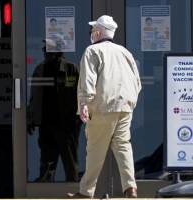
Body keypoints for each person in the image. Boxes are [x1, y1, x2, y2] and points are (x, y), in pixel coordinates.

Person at [67, 15, 141, 199]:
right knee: (123, 146)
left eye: (93, 30)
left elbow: (88, 80)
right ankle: (130, 188)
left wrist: (84, 102)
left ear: (98, 32)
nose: (91, 33)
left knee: (95, 150)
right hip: (125, 107)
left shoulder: (92, 51)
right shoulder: (125, 52)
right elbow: (137, 82)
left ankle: (85, 192)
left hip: (103, 107)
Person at [28, 40, 82, 182]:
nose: (45, 52)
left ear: (58, 52)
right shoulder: (40, 69)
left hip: (67, 126)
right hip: (47, 124)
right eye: (45, 49)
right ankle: (45, 193)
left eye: (49, 49)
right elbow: (34, 97)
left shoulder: (71, 69)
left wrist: (78, 120)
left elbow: (82, 95)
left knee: (70, 163)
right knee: (46, 164)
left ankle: (74, 192)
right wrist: (31, 118)